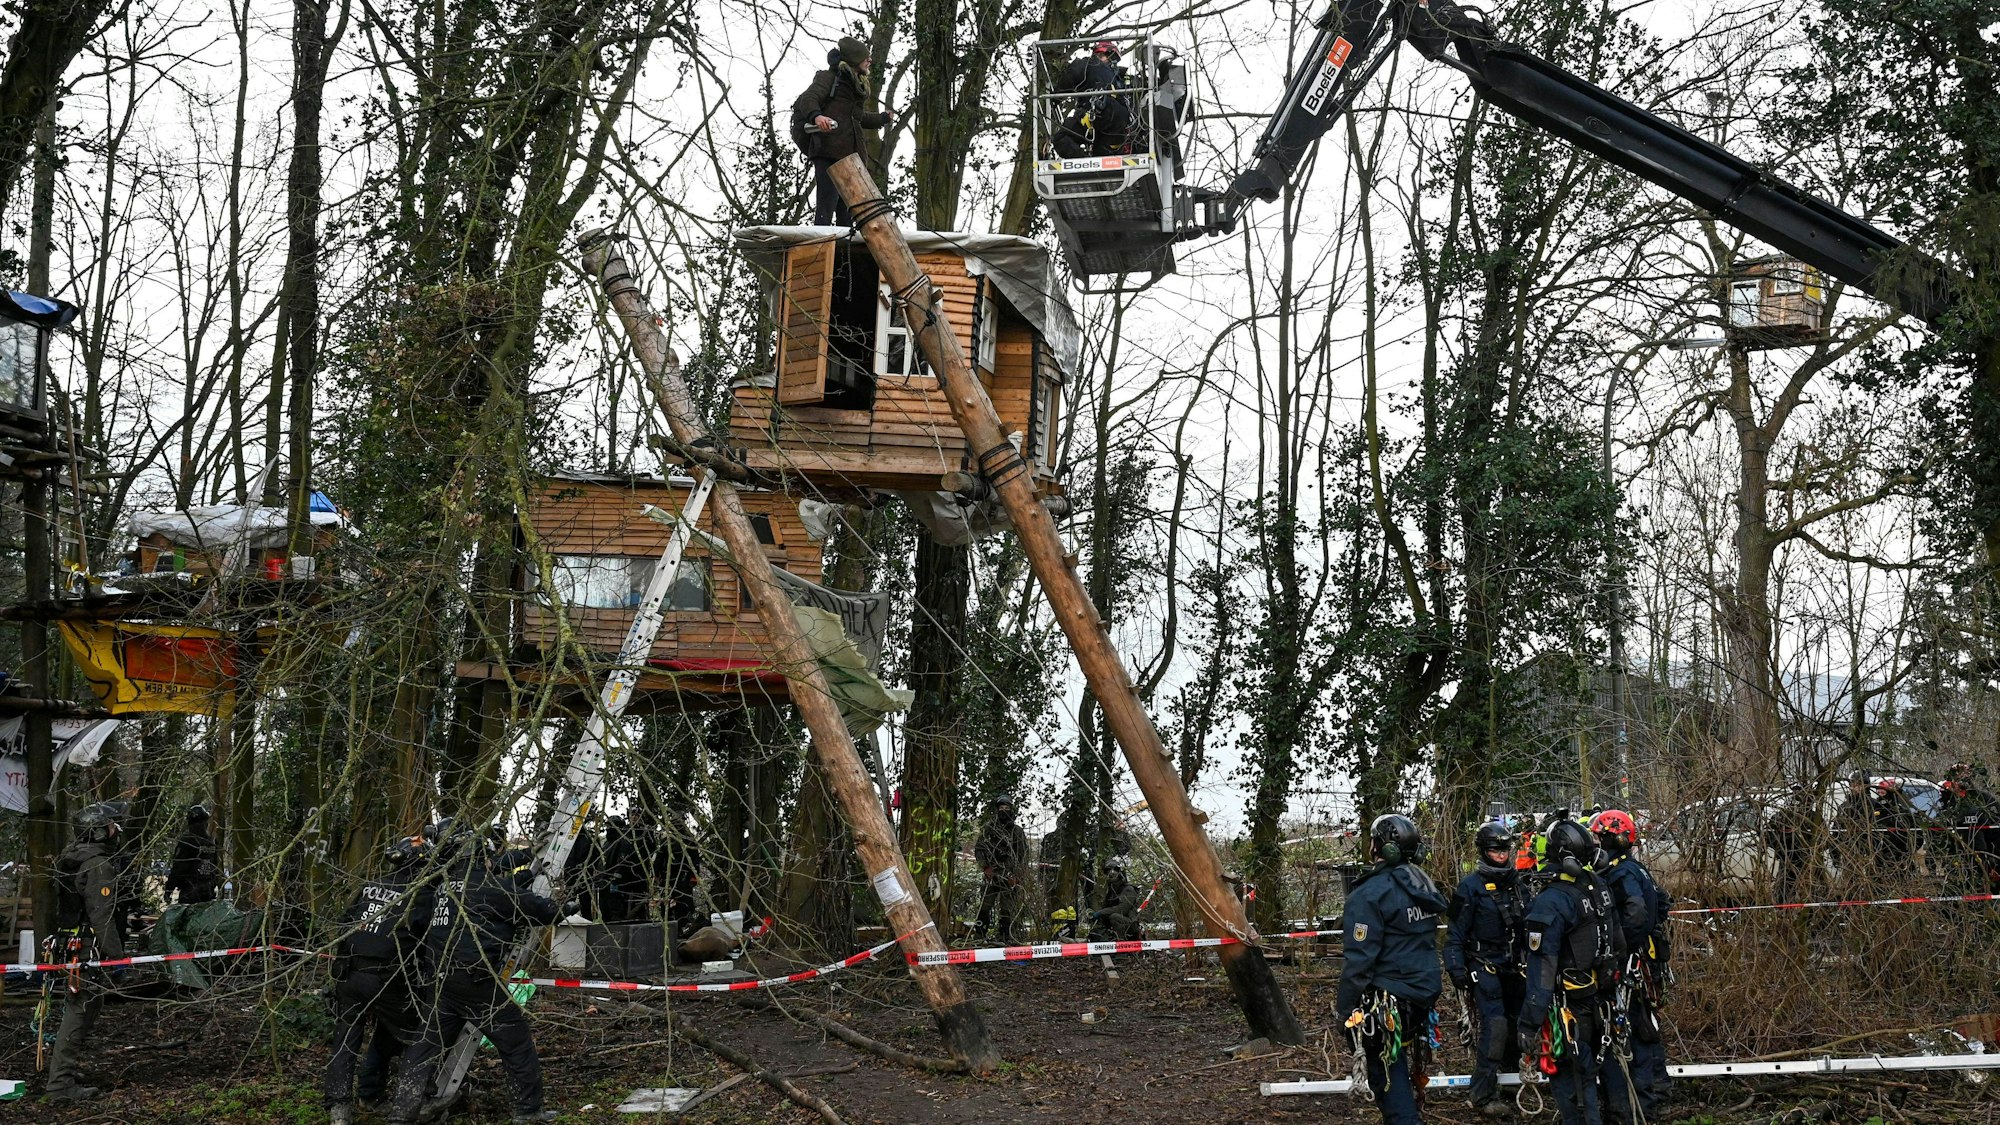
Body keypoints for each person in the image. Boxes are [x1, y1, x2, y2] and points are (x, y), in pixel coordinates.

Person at [387, 825, 566, 1125]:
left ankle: (400, 1115)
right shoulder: (488, 887)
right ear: (482, 857)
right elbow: (536, 908)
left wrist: (524, 875)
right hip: (476, 982)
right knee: (516, 1041)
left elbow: (501, 893)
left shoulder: (445, 886)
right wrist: (562, 908)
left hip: (441, 980)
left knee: (423, 1049)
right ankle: (528, 1110)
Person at [1335, 814, 1447, 1125]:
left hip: (1389, 999)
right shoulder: (1422, 885)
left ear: (1378, 847)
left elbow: (1359, 960)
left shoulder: (1370, 894)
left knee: (1385, 1074)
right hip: (1421, 994)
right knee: (1395, 1064)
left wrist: (1343, 1009)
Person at [325, 831, 436, 1125]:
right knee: (419, 1036)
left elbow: (345, 927)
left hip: (349, 976)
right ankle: (418, 1100)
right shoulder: (422, 895)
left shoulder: (370, 887)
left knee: (346, 1040)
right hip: (387, 979)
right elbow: (427, 939)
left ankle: (341, 1109)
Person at [1518, 820, 1622, 1125]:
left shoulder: (1551, 901)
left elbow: (1542, 970)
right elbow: (1619, 943)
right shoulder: (1598, 885)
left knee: (1573, 1076)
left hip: (1569, 1007)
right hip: (1602, 997)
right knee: (1607, 1065)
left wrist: (1528, 1024)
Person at [44, 801, 132, 1103]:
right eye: (111, 826)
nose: (115, 832)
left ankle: (65, 1072)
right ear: (97, 832)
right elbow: (102, 915)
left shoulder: (69, 859)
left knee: (86, 1008)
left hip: (72, 945)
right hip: (87, 949)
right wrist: (117, 957)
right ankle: (59, 1085)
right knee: (79, 1011)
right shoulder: (98, 865)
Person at [1588, 810, 1671, 1124]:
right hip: (1645, 958)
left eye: (1599, 837)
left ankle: (1646, 1096)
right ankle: (1659, 1086)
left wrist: (1618, 947)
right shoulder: (1637, 869)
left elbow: (1635, 913)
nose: (1596, 843)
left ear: (1613, 838)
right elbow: (1662, 902)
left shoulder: (1621, 873)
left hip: (1633, 962)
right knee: (1647, 1021)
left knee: (1636, 1026)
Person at [1444, 820, 1528, 1117]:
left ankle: (1511, 1080)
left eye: (1505, 849)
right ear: (1484, 851)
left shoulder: (1518, 884)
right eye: (1495, 850)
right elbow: (1454, 934)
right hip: (1485, 967)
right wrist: (1456, 969)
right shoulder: (1469, 887)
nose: (1502, 855)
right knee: (1495, 1027)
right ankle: (1483, 1093)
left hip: (1515, 967)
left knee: (1518, 1025)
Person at [790, 37, 895, 225]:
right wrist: (817, 117)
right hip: (827, 149)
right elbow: (809, 99)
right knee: (827, 203)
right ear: (854, 60)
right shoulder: (828, 78)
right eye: (865, 57)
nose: (869, 61)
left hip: (849, 156)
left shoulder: (855, 87)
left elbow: (856, 118)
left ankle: (843, 250)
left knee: (847, 210)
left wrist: (881, 118)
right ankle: (822, 244)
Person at [1051, 40, 1132, 158]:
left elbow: (1071, 76)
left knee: (1061, 139)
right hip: (1118, 126)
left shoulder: (1090, 63)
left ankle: (1083, 161)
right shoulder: (1121, 79)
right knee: (1101, 154)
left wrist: (1056, 97)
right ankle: (1098, 170)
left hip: (1096, 112)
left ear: (1098, 54)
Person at [973, 793, 1029, 941]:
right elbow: (979, 849)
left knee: (1007, 909)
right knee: (985, 906)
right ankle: (979, 935)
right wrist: (986, 867)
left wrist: (1017, 876)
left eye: (1006, 807)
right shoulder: (988, 829)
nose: (1003, 810)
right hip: (991, 874)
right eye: (1001, 808)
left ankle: (1004, 937)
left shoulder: (1017, 832)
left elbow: (1023, 855)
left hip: (1009, 875)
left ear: (1011, 809)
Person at [1941, 762, 2000, 893]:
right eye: (1957, 776)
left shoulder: (1982, 798)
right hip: (1956, 857)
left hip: (1987, 854)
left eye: (1964, 775)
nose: (1960, 779)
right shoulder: (1947, 800)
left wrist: (1991, 860)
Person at [165, 804, 220, 905]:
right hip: (208, 892)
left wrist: (169, 889)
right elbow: (216, 868)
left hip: (189, 893)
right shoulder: (212, 842)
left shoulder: (187, 841)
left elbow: (178, 868)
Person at [1088, 855, 1143, 941]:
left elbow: (1122, 909)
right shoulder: (1111, 890)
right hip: (1115, 926)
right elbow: (1106, 907)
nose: (1111, 873)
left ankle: (1122, 943)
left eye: (1115, 870)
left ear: (1120, 872)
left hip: (1130, 926)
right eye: (1108, 870)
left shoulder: (1128, 889)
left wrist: (1101, 912)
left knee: (1114, 916)